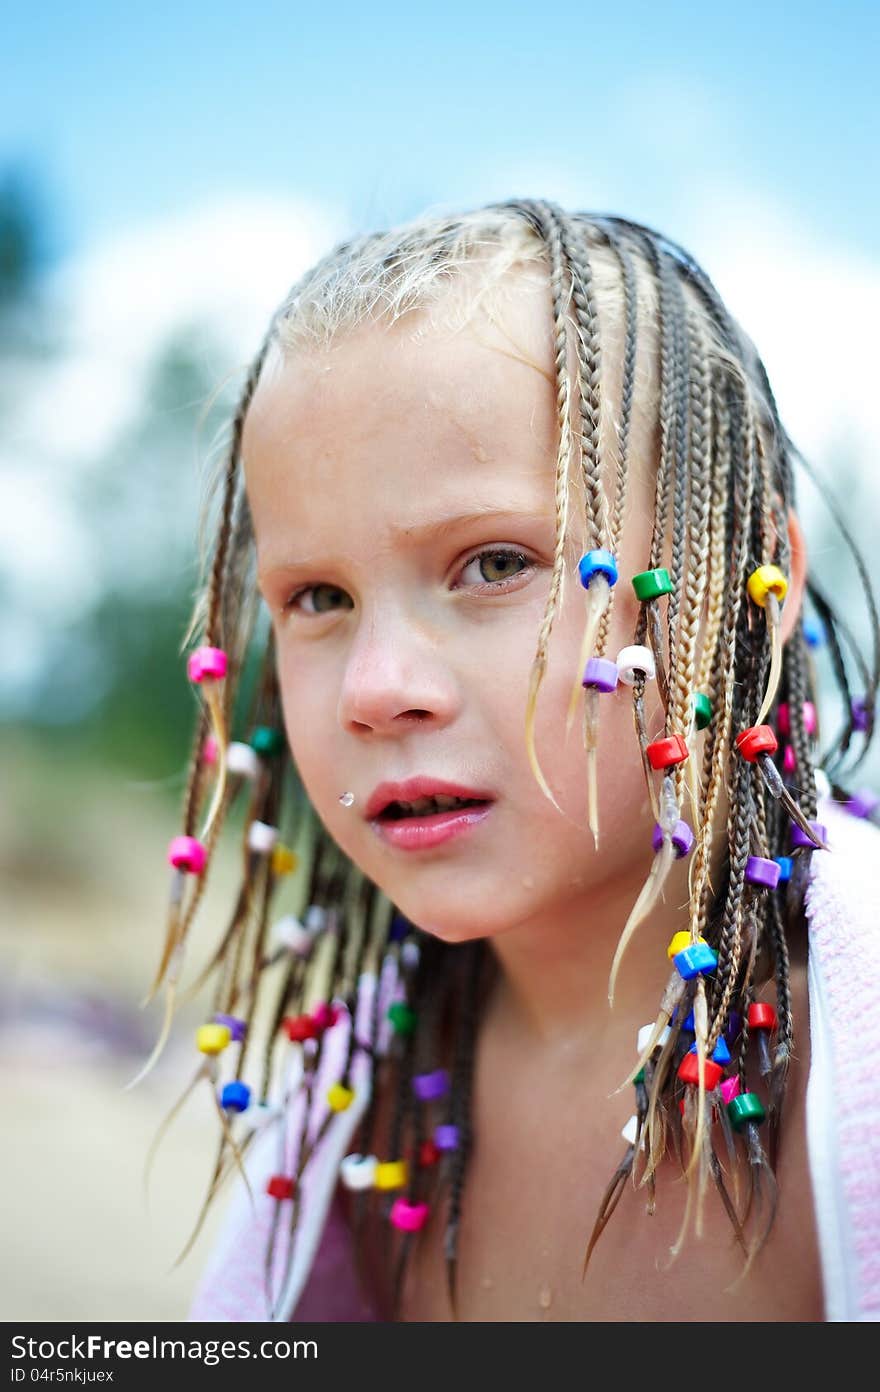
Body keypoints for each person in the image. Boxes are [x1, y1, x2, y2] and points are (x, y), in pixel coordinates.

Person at [144, 200, 880, 1323]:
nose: (376, 688)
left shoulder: (853, 1064)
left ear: (751, 585)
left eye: (494, 563)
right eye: (318, 598)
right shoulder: (359, 1110)